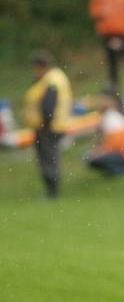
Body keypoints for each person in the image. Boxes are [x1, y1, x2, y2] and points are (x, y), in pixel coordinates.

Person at [24, 50, 73, 198]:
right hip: (53, 125)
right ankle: (52, 192)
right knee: (49, 158)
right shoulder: (54, 77)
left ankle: (52, 193)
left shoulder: (52, 80)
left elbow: (48, 105)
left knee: (48, 159)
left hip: (49, 127)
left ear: (41, 66)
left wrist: (45, 123)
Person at [85, 90, 124, 177]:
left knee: (89, 157)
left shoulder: (111, 117)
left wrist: (99, 152)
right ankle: (116, 168)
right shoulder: (114, 114)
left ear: (112, 101)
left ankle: (119, 170)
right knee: (90, 155)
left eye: (104, 99)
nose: (101, 101)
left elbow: (115, 144)